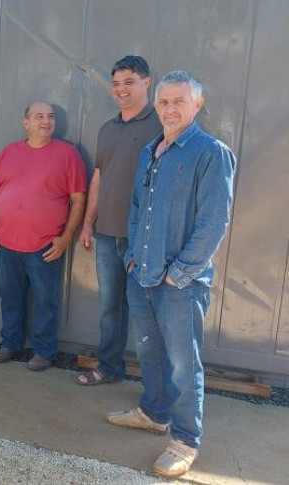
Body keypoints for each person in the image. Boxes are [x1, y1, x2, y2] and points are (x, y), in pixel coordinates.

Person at [106, 71, 236, 478]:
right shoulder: (151, 151)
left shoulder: (210, 152)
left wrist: (179, 275)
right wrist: (130, 261)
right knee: (148, 350)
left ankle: (184, 440)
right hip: (141, 274)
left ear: (197, 104)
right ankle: (154, 413)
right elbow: (138, 207)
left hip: (180, 283)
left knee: (183, 363)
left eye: (179, 101)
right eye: (164, 102)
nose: (170, 109)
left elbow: (214, 222)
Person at [0, 102, 87, 371]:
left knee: (45, 300)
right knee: (10, 296)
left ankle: (44, 351)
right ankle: (10, 343)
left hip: (45, 244)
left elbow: (78, 199)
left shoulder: (67, 154)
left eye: (50, 116)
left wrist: (65, 237)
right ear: (25, 122)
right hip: (7, 242)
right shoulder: (9, 152)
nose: (46, 121)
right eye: (39, 116)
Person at [76, 56, 162, 386]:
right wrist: (88, 223)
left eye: (129, 82)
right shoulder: (107, 128)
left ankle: (155, 387)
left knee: (146, 314)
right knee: (110, 308)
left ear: (146, 82)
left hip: (143, 238)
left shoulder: (161, 124)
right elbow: (99, 176)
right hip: (107, 234)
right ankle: (109, 368)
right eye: (116, 84)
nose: (121, 90)